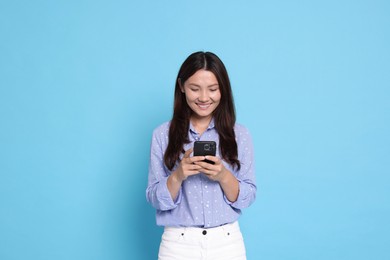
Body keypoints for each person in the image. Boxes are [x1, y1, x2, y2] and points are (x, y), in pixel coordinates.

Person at [146, 51, 256, 260]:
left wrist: (223, 175)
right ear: (181, 87)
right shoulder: (162, 134)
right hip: (178, 245)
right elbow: (154, 197)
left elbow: (247, 196)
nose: (204, 98)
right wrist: (178, 175)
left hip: (227, 243)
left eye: (213, 89)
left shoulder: (239, 134)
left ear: (223, 89)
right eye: (195, 89)